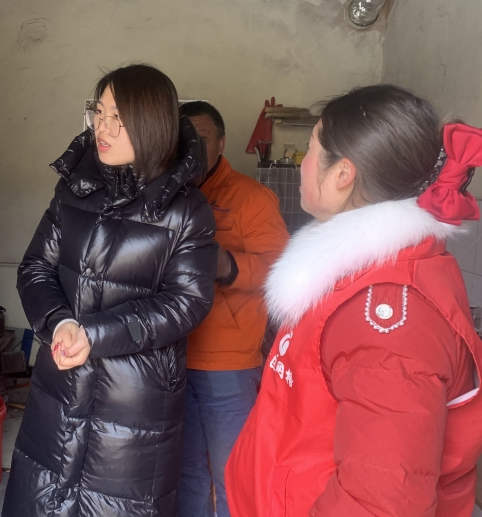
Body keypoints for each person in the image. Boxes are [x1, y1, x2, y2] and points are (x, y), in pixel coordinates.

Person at [226, 84, 482, 517]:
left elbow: (381, 502)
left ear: (343, 174)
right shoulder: (360, 275)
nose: (303, 164)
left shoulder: (386, 320)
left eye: (311, 149)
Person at [1, 64, 219, 517]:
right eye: (98, 113)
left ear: (151, 121)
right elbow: (36, 266)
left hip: (134, 404)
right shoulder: (74, 188)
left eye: (118, 117)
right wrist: (59, 321)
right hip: (60, 388)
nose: (103, 127)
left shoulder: (186, 209)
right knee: (42, 498)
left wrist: (94, 335)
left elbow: (186, 302)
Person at [176, 102, 289, 517]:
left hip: (228, 366)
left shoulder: (251, 198)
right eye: (183, 139)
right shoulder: (167, 196)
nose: (191, 147)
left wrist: (228, 266)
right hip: (171, 356)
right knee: (186, 472)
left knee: (232, 474)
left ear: (221, 143)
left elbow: (279, 268)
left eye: (201, 139)